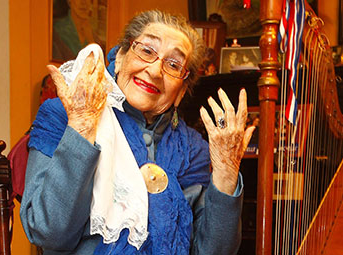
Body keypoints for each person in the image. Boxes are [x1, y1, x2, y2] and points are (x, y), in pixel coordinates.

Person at [20, 10, 255, 255]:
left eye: (173, 64)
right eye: (146, 51)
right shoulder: (68, 112)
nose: (155, 71)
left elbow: (214, 252)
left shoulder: (192, 149)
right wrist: (82, 127)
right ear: (120, 57)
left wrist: (227, 175)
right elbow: (48, 233)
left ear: (181, 92)